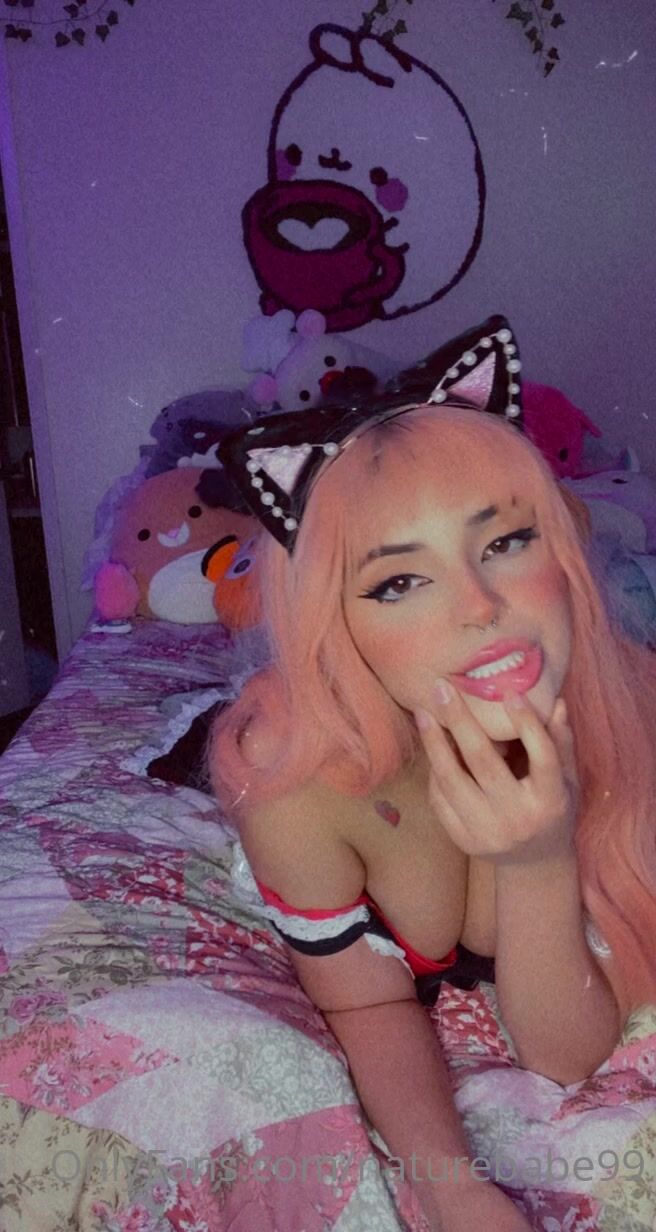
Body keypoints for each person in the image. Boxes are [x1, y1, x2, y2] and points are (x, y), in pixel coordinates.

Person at [209, 316, 656, 1231]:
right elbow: (368, 1004)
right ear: (335, 623)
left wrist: (536, 859)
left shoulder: (631, 709)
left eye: (506, 542)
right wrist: (450, 1187)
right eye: (399, 583)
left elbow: (566, 1057)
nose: (481, 607)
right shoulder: (296, 783)